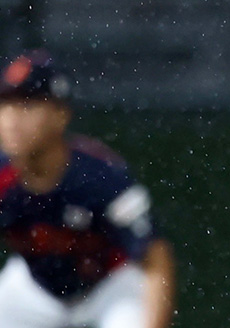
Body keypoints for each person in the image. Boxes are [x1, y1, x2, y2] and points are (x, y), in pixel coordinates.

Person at [0, 50, 176, 328]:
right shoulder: (2, 174)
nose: (12, 118)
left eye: (27, 105)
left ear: (60, 115)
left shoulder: (99, 175)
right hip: (34, 290)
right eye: (5, 105)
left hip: (109, 288)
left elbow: (156, 256)